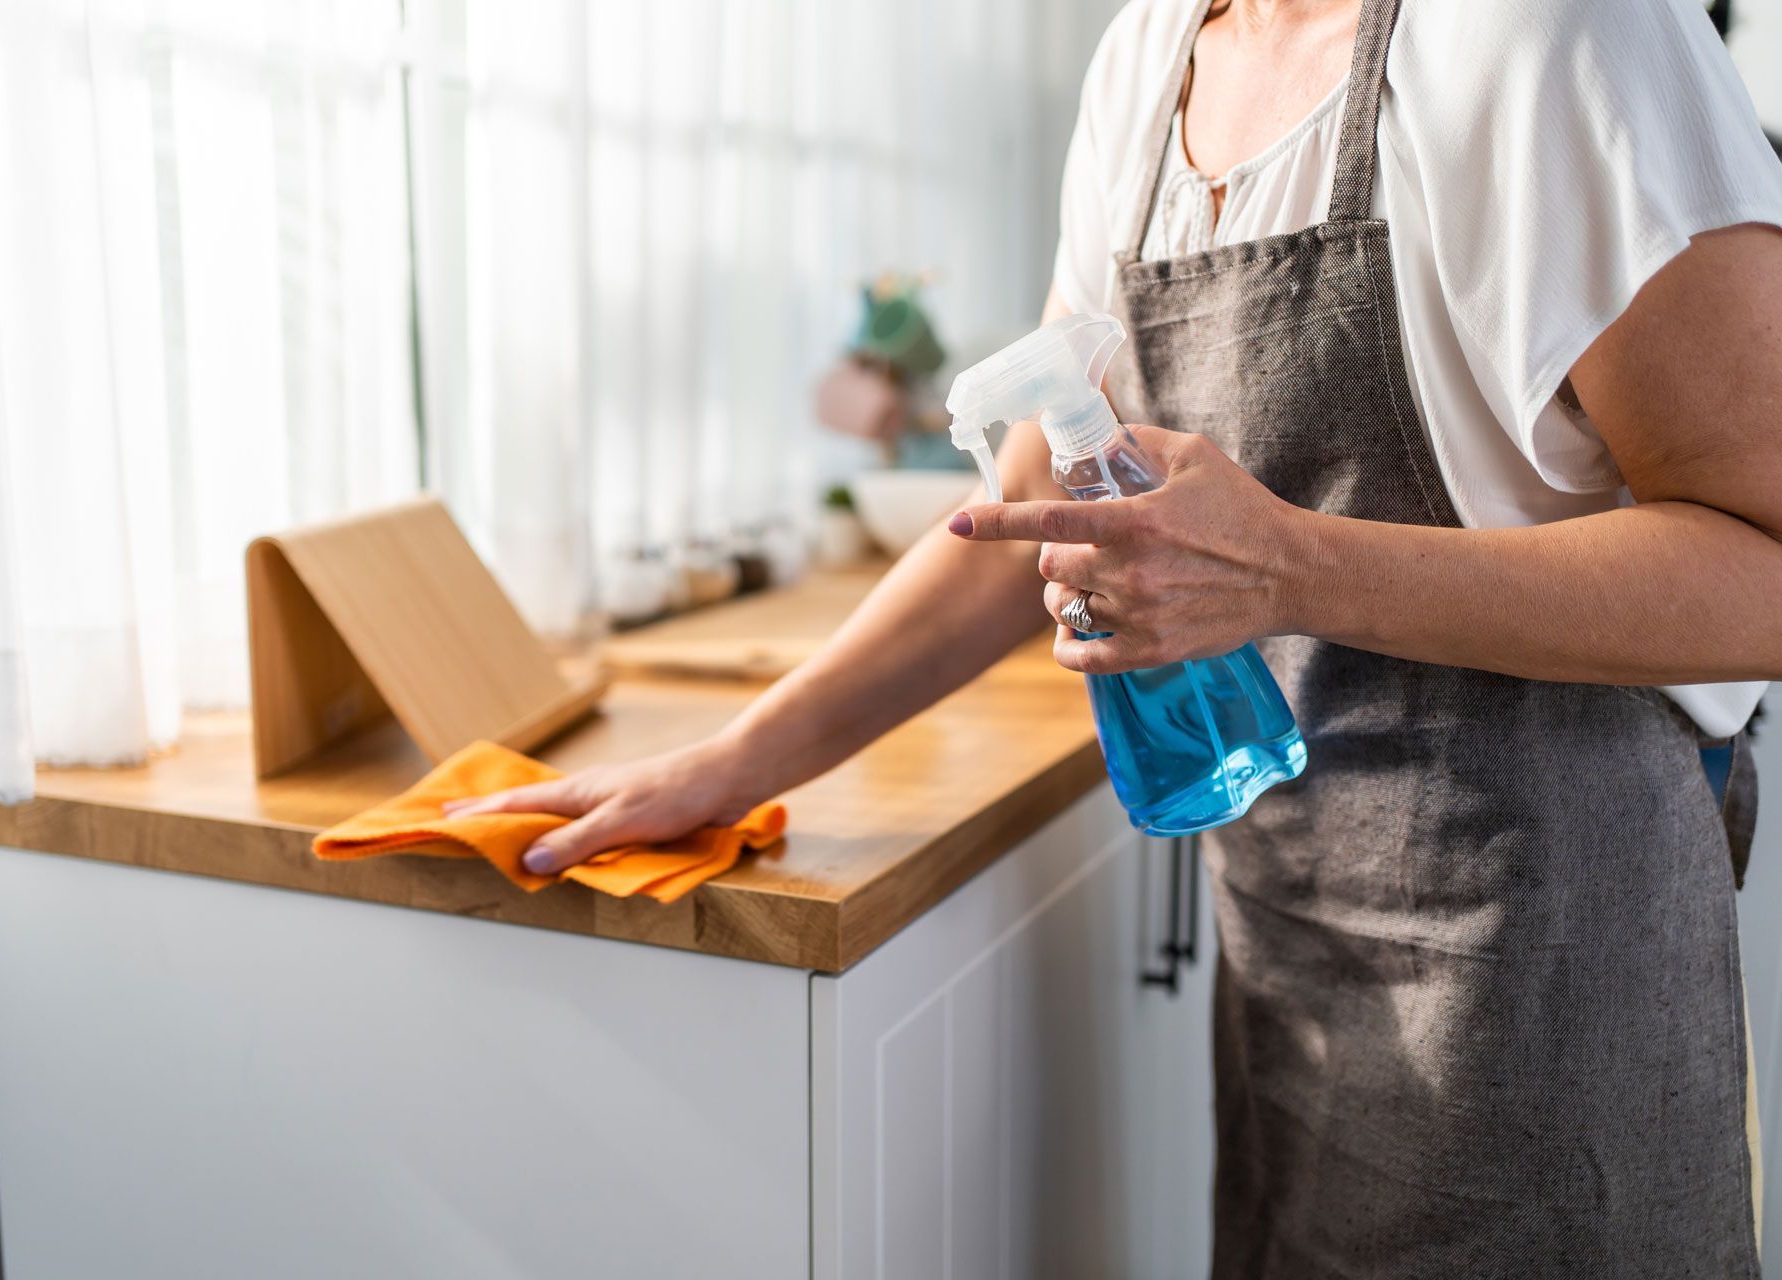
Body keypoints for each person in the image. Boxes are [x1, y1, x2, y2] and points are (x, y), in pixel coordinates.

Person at [447, 0, 1782, 1272]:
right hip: (1290, 929)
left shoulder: (1554, 37)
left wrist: (1293, 565)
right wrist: (731, 764)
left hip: (1551, 949)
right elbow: (1024, 504)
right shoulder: (1148, 60)